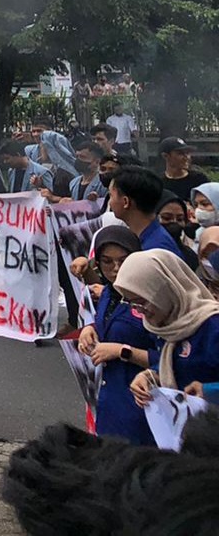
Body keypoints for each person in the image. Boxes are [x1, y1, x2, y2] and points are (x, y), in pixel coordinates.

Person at [73, 226, 156, 445]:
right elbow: (106, 325)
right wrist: (90, 330)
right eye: (107, 262)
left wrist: (122, 351)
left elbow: (170, 358)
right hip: (108, 403)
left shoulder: (152, 299)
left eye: (123, 260)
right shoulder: (109, 292)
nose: (116, 268)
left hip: (144, 407)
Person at [122, 250, 219, 409]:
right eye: (131, 303)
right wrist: (150, 376)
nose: (139, 311)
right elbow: (174, 362)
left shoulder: (212, 326)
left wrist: (209, 391)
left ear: (166, 291)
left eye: (142, 302)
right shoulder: (167, 325)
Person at [110, 166, 185, 258]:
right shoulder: (148, 237)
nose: (110, 202)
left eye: (111, 196)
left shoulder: (155, 250)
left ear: (126, 202)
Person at [158, 137, 210, 202]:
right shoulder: (158, 183)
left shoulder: (199, 179)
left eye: (187, 153)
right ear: (165, 156)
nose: (186, 157)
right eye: (180, 153)